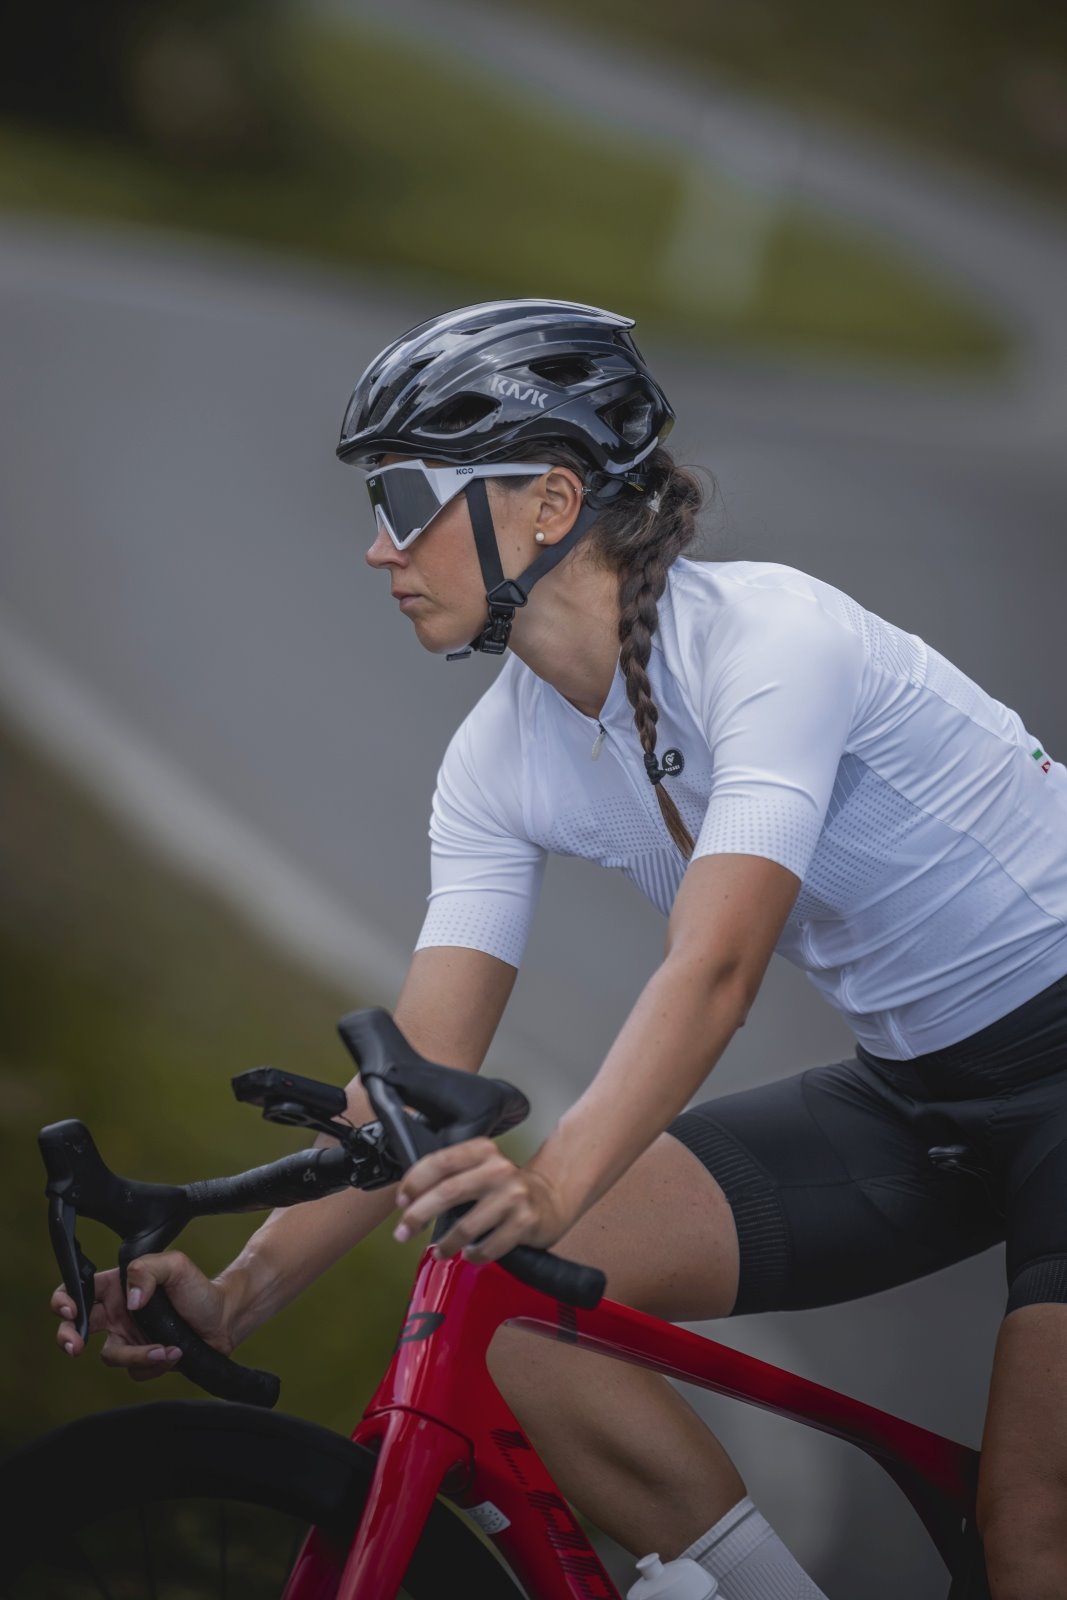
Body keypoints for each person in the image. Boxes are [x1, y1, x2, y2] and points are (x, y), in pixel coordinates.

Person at [53, 299, 1067, 1600]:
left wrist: (551, 1185)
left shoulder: (771, 640)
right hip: (922, 1089)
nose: (377, 546)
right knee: (521, 1309)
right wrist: (237, 1293)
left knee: (1030, 1532)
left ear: (549, 503)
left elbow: (717, 971)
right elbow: (420, 1070)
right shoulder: (498, 757)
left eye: (406, 498)